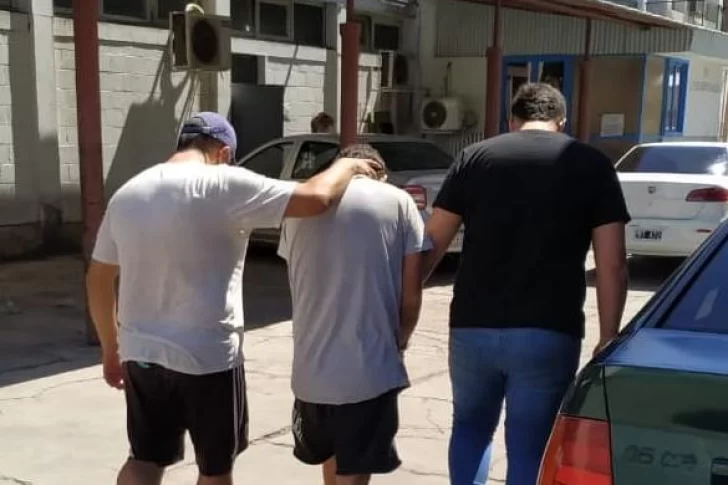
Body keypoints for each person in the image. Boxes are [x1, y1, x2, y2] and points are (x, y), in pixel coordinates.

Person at [85, 112, 382, 485]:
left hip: (141, 354)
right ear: (223, 152)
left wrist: (110, 348)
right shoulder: (225, 184)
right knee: (215, 470)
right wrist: (348, 165)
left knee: (144, 459)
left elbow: (98, 279)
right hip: (207, 358)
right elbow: (317, 197)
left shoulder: (128, 193)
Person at [422, 83, 631, 485]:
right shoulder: (591, 164)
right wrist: (608, 335)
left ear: (511, 120)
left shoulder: (474, 158)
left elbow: (432, 243)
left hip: (472, 326)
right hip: (548, 329)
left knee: (469, 428)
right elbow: (613, 263)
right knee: (531, 444)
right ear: (561, 121)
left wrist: (404, 305)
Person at [277, 144, 429, 485]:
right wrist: (400, 342)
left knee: (330, 461)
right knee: (355, 475)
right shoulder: (398, 202)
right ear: (379, 172)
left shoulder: (298, 207)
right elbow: (411, 295)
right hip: (368, 372)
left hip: (310, 374)